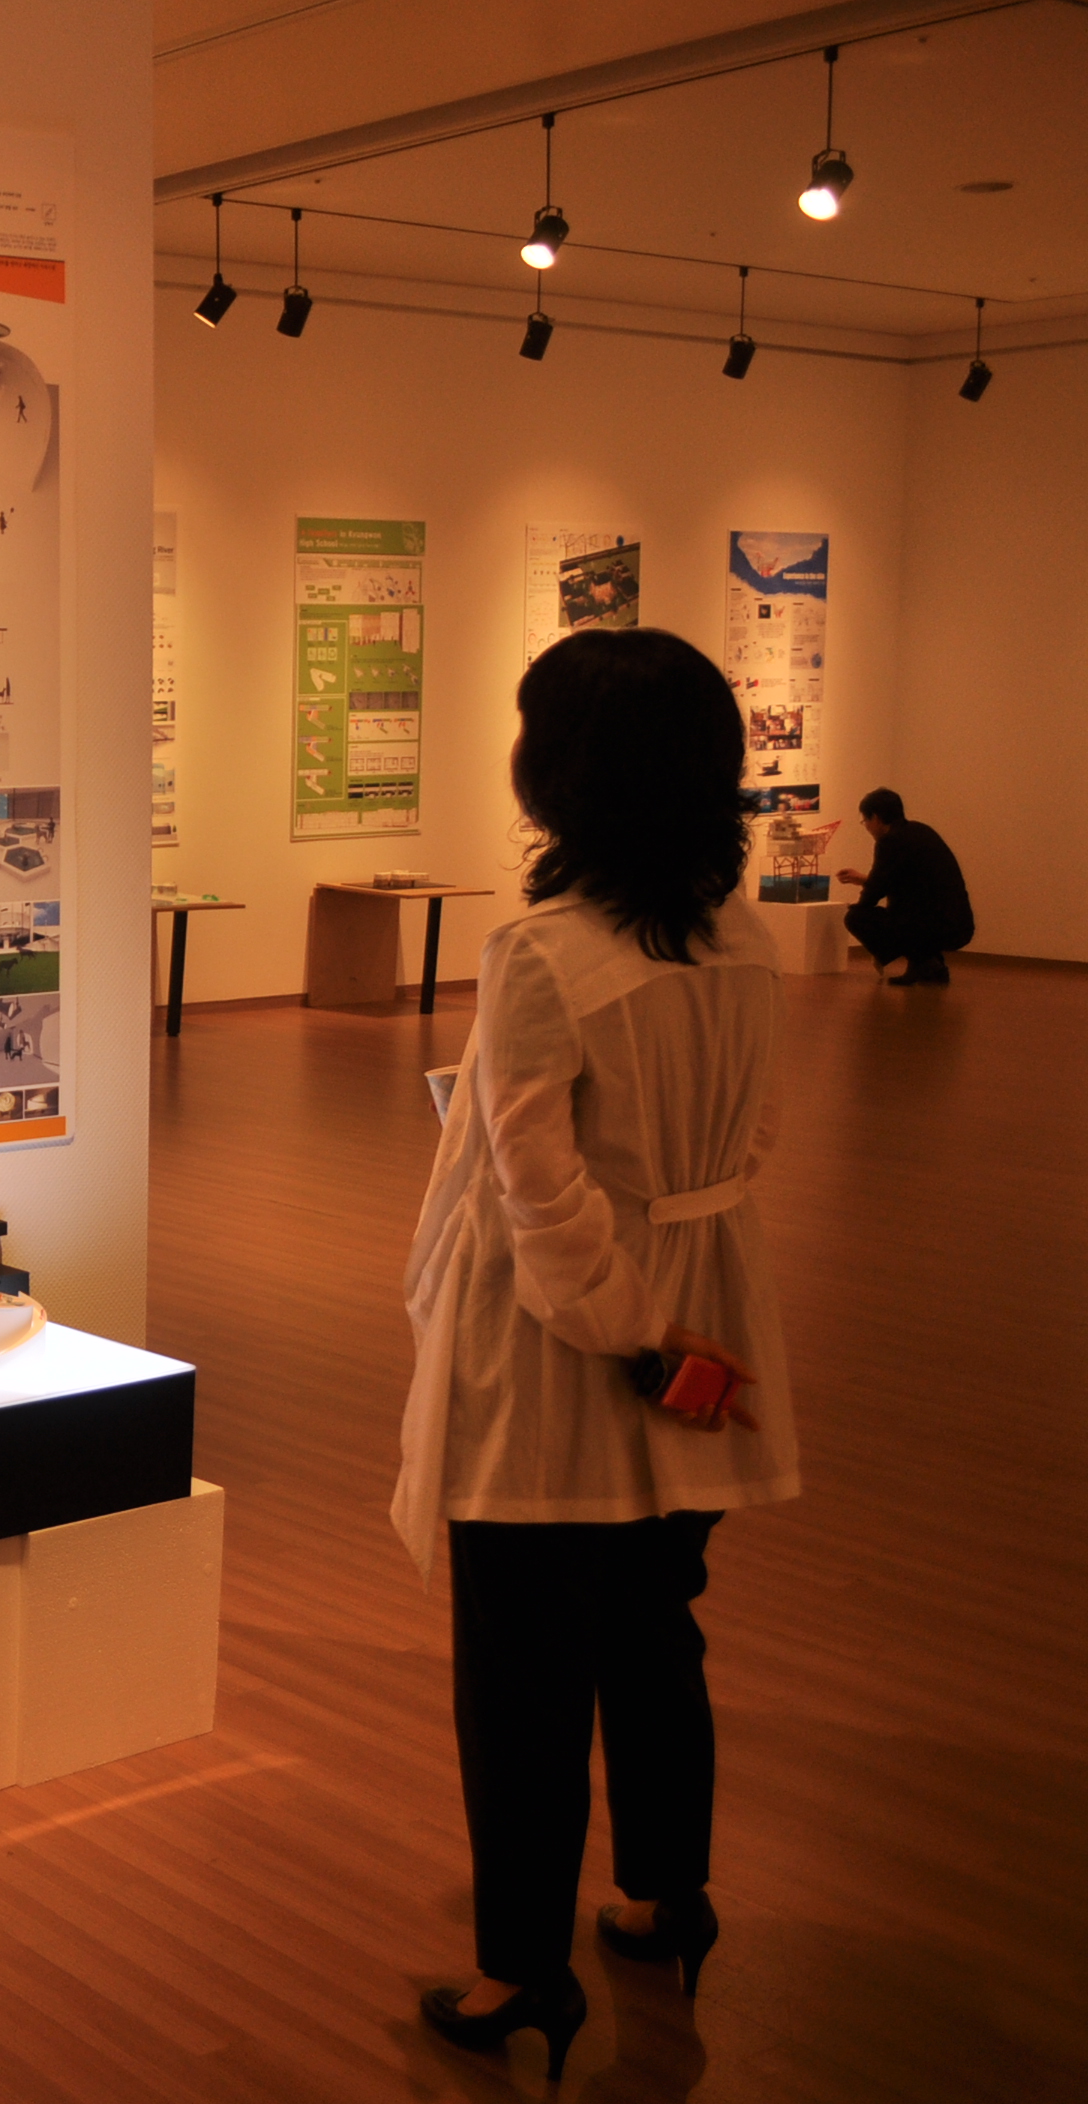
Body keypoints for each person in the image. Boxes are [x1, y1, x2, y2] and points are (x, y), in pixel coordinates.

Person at [395, 628, 800, 2081]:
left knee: (522, 1678)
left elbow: (538, 1191)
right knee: (657, 1630)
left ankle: (520, 1970)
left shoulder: (541, 954)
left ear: (561, 773)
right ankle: (664, 1896)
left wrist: (633, 1332)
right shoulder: (743, 937)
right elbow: (752, 1138)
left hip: (565, 1360)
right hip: (710, 1310)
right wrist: (684, 1304)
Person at [836, 787, 972, 986]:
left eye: (865, 821)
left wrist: (857, 908)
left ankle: (925, 962)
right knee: (906, 911)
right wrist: (865, 880)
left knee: (857, 918)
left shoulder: (890, 842)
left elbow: (875, 892)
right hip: (958, 922)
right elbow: (906, 882)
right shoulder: (921, 831)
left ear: (875, 818)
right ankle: (930, 964)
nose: (866, 827)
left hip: (933, 924)